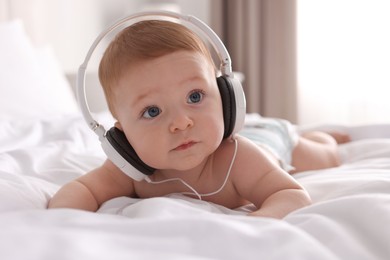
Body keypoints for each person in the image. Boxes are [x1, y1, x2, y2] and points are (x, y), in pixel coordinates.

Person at [48, 20, 349, 219]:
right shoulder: (130, 170)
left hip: (269, 141)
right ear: (121, 134)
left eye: (194, 97)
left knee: (322, 156)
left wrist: (256, 224)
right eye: (152, 111)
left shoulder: (239, 158)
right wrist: (62, 219)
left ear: (226, 98)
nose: (181, 123)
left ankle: (322, 137)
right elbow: (83, 190)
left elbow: (290, 193)